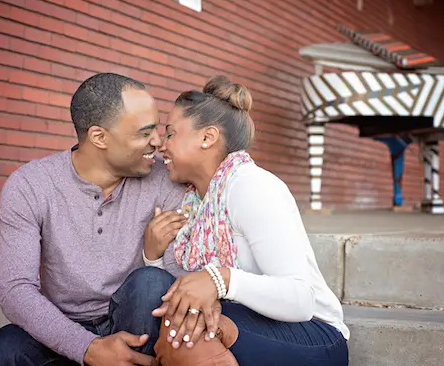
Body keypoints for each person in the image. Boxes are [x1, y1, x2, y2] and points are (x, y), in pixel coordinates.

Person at [0, 73, 189, 366]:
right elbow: (15, 290)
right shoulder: (31, 185)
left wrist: (152, 256)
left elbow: (181, 279)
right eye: (144, 133)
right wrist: (87, 348)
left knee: (150, 283)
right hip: (61, 329)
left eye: (157, 129)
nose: (158, 142)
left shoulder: (166, 179)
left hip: (136, 328)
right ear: (99, 137)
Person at [143, 76, 350, 365]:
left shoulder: (251, 186)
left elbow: (300, 300)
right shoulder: (194, 202)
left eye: (171, 133)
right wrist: (152, 257)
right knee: (182, 324)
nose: (161, 145)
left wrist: (222, 279)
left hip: (312, 335)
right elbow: (186, 292)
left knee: (185, 336)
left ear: (207, 137)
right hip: (245, 322)